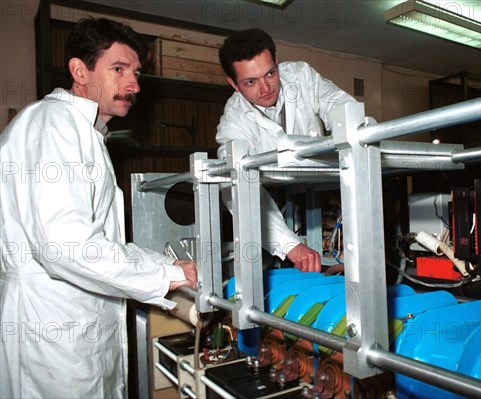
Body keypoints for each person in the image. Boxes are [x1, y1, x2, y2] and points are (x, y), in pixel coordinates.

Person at [0, 17, 197, 399]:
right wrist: (164, 277)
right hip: (52, 333)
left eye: (136, 73)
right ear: (79, 70)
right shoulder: (52, 124)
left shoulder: (84, 134)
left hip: (75, 327)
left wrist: (166, 266)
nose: (134, 85)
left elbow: (102, 241)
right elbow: (66, 245)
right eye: (118, 69)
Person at [216, 28, 356, 273]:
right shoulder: (233, 122)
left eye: (270, 73)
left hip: (327, 181)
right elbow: (234, 184)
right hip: (277, 199)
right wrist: (290, 245)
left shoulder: (300, 75)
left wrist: (354, 129)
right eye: (250, 82)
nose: (266, 87)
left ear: (277, 63)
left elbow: (337, 103)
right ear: (234, 85)